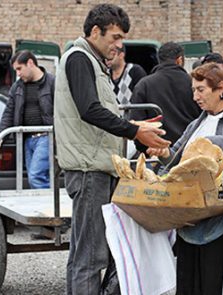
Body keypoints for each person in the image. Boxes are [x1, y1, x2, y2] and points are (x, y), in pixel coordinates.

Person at [53, 4, 170, 295]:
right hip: (89, 169)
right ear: (95, 31)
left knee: (89, 254)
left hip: (97, 167)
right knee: (91, 258)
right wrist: (134, 130)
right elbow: (89, 110)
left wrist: (138, 129)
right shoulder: (80, 58)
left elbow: (99, 114)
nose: (120, 45)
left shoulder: (93, 62)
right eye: (115, 37)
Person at [147, 63, 223, 295]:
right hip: (191, 211)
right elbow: (176, 158)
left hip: (220, 213)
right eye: (194, 90)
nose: (195, 96)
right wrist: (163, 153)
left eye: (201, 90)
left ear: (220, 88)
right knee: (188, 279)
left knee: (212, 279)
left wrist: (210, 142)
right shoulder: (198, 122)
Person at [0, 50, 55, 189]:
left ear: (30, 63)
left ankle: (50, 207)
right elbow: (9, 112)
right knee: (34, 177)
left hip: (46, 136)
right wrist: (0, 136)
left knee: (35, 177)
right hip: (26, 139)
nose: (18, 73)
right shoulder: (17, 87)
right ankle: (49, 205)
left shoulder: (53, 83)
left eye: (19, 68)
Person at [130, 41, 201, 151]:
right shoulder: (195, 84)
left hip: (156, 153)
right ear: (180, 60)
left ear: (159, 61)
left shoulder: (144, 85)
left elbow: (137, 123)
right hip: (191, 150)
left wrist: (145, 150)